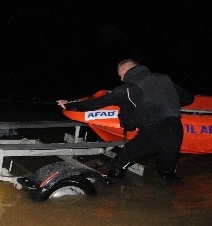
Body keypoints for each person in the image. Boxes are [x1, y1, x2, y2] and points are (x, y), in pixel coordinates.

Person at [57, 59, 194, 180]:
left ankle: (113, 201)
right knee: (167, 173)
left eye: (120, 75)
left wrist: (70, 105)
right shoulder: (165, 79)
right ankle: (171, 201)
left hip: (152, 133)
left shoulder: (128, 88)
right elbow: (188, 98)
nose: (121, 79)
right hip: (176, 131)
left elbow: (96, 103)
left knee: (117, 165)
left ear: (126, 70)